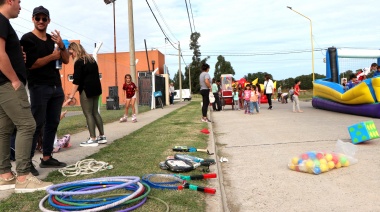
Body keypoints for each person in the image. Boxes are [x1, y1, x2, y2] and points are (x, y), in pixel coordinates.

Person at [0, 0, 52, 192]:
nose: (20, 6)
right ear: (10, 1)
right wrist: (15, 79)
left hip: (2, 84)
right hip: (8, 84)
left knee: (4, 129)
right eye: (19, 2)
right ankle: (23, 177)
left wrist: (17, 58)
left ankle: (5, 176)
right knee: (27, 125)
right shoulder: (2, 20)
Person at [20, 6, 69, 175]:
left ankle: (47, 158)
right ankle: (27, 162)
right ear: (33, 19)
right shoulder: (27, 39)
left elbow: (66, 60)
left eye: (44, 18)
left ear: (48, 20)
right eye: (38, 18)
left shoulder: (52, 39)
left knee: (53, 122)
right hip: (39, 86)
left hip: (56, 86)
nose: (41, 21)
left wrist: (62, 46)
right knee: (36, 124)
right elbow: (31, 64)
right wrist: (52, 57)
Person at [65, 42, 107, 147]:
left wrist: (71, 96)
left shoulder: (79, 62)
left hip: (86, 90)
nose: (71, 56)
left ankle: (93, 139)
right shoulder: (91, 60)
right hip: (96, 89)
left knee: (88, 114)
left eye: (71, 53)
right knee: (95, 113)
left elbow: (76, 81)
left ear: (75, 50)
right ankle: (102, 136)